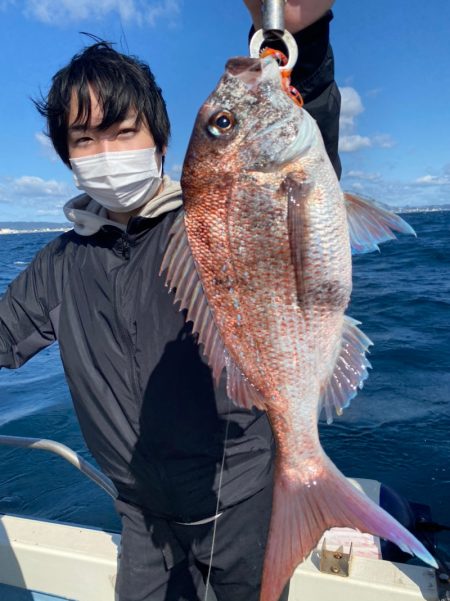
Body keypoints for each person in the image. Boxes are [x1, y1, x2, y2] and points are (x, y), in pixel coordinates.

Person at [0, 1, 340, 600]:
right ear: (66, 158)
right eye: (84, 138)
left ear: (159, 141)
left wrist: (305, 44)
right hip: (141, 519)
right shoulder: (56, 265)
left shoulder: (208, 225)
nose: (105, 150)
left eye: (122, 130)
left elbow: (299, 198)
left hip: (240, 504)